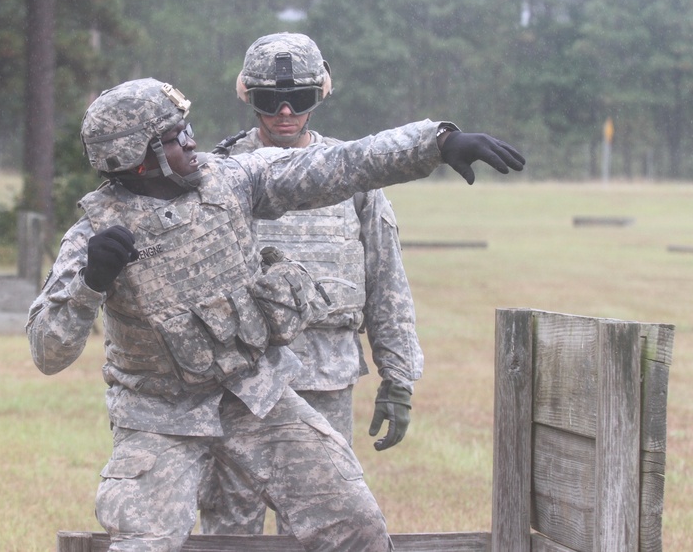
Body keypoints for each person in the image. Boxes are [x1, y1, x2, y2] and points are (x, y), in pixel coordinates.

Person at [25, 77, 524, 552]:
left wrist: (435, 144)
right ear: (136, 160)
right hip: (159, 417)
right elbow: (48, 351)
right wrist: (91, 283)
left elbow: (338, 165)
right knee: (144, 542)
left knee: (355, 525)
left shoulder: (233, 180)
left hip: (255, 397)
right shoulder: (95, 235)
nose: (193, 142)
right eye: (176, 138)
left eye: (188, 129)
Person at [200, 32, 421, 536]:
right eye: (268, 100)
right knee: (229, 526)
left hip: (326, 377)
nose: (283, 112)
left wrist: (398, 377)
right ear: (245, 96)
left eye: (298, 99)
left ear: (320, 93)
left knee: (326, 524)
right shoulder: (218, 175)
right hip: (240, 379)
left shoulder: (353, 173)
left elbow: (385, 279)